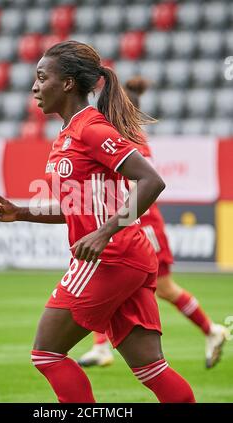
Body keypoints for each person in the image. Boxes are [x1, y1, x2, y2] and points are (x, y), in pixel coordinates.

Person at [0, 41, 195, 403]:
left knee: (47, 353)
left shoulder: (91, 129)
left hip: (111, 257)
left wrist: (104, 232)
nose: (34, 87)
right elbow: (78, 207)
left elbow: (151, 181)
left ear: (67, 83)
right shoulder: (67, 135)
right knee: (151, 369)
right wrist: (19, 213)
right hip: (127, 255)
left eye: (41, 77)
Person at [77, 76, 229, 370]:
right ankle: (100, 347)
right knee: (106, 275)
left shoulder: (132, 137)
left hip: (144, 225)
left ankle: (211, 330)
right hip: (125, 224)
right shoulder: (109, 134)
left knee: (164, 288)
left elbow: (142, 183)